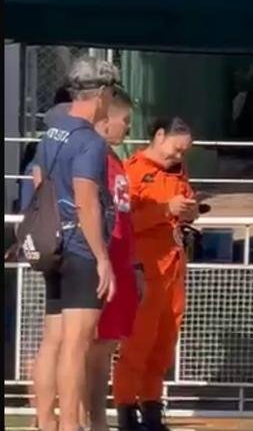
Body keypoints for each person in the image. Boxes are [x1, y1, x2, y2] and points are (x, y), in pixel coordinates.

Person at [29, 57, 120, 431]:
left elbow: (37, 179)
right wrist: (102, 257)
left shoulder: (51, 132)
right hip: (80, 248)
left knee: (52, 340)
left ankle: (44, 422)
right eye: (111, 94)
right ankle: (70, 424)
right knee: (76, 344)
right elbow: (86, 197)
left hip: (52, 244)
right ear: (100, 94)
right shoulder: (89, 141)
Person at [116, 117, 196, 431]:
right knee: (137, 343)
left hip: (173, 267)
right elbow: (123, 222)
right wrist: (165, 211)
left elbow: (183, 205)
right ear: (159, 136)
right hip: (144, 268)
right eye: (176, 150)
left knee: (164, 344)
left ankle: (151, 408)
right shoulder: (131, 171)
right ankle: (126, 411)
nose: (179, 157)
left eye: (184, 153)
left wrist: (189, 211)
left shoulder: (177, 173)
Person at [87, 90, 138, 431]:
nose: (129, 130)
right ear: (105, 121)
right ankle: (82, 418)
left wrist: (135, 267)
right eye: (126, 122)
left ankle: (97, 419)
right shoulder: (89, 158)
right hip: (96, 263)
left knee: (105, 347)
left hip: (119, 264)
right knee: (83, 346)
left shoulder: (114, 160)